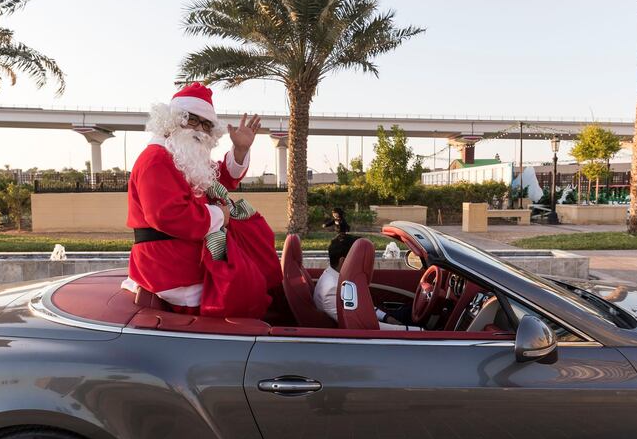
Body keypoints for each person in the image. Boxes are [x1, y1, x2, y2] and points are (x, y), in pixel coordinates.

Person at [121, 82, 278, 314]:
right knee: (243, 291)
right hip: (170, 264)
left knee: (257, 272)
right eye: (191, 120)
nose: (199, 130)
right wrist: (220, 215)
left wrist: (240, 150)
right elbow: (167, 216)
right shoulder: (156, 159)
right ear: (172, 120)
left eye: (205, 125)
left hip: (187, 255)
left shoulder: (181, 157)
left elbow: (219, 179)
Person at [314, 234, 418, 330]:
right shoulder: (331, 290)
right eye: (360, 260)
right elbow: (361, 325)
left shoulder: (338, 277)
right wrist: (411, 330)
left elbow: (359, 306)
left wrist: (387, 317)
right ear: (343, 261)